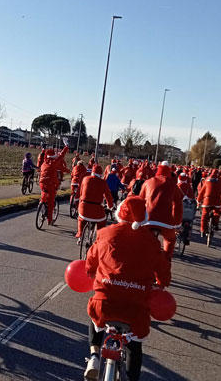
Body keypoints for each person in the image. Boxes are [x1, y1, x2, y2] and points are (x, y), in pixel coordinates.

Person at [84, 196, 171, 380]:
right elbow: (163, 270)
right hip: (135, 310)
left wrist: (91, 271)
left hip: (104, 304)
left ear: (119, 213)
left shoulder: (106, 233)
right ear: (144, 218)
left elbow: (91, 260)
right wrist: (162, 283)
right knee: (134, 346)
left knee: (95, 316)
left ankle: (94, 357)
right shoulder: (152, 242)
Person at [139, 161, 184, 260]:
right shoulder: (173, 185)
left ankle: (138, 258)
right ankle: (166, 262)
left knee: (139, 238)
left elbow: (139, 200)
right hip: (166, 221)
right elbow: (178, 205)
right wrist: (177, 224)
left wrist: (137, 219)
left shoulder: (148, 182)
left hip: (148, 219)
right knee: (170, 240)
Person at [76, 165, 114, 240]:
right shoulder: (103, 182)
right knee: (102, 222)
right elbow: (108, 196)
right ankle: (99, 239)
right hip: (97, 209)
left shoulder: (85, 179)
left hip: (84, 207)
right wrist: (110, 206)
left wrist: (80, 202)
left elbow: (81, 192)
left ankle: (80, 234)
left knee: (81, 219)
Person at [39, 138, 70, 225]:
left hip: (42, 182)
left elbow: (44, 155)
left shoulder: (44, 163)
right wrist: (66, 146)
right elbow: (61, 156)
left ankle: (41, 206)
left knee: (43, 195)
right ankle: (49, 220)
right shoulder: (54, 163)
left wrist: (44, 148)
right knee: (51, 201)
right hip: (51, 183)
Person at [197, 169, 221, 236]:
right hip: (217, 201)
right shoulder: (220, 181)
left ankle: (202, 230)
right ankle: (215, 224)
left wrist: (198, 200)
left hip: (207, 200)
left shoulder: (207, 180)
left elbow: (202, 192)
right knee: (217, 213)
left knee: (204, 216)